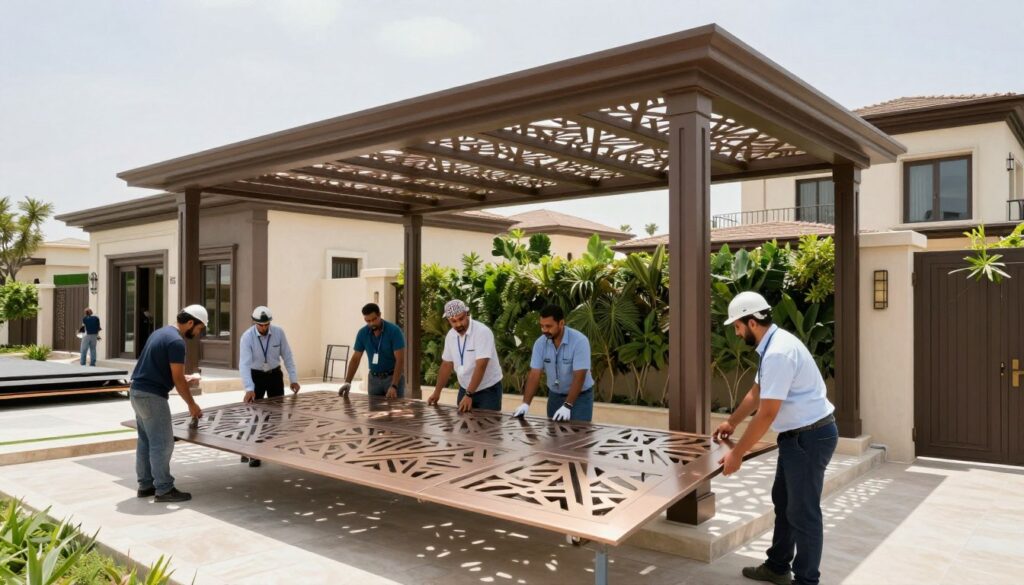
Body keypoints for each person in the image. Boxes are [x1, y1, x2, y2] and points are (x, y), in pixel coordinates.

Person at [712, 291, 837, 585]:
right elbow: (757, 392)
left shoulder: (778, 352)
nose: (736, 332)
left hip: (809, 438)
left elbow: (767, 413)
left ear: (752, 322)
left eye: (737, 326)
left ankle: (806, 580)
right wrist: (732, 421)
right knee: (784, 502)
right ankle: (778, 567)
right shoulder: (773, 346)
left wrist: (737, 454)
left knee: (803, 513)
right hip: (798, 438)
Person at [129, 305, 207, 503]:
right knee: (163, 443)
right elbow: (177, 379)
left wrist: (184, 378)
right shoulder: (176, 342)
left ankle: (145, 485)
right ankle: (164, 489)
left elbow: (164, 369)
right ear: (191, 323)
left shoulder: (161, 333)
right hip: (152, 396)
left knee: (146, 441)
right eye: (199, 328)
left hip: (137, 391)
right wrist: (192, 404)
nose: (198, 333)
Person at [238, 305, 300, 467]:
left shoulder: (279, 332)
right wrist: (249, 388)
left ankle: (270, 449)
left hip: (274, 375)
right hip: (256, 376)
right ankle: (252, 452)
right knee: (256, 415)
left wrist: (293, 379)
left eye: (267, 325)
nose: (264, 328)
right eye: (261, 325)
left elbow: (287, 356)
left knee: (276, 413)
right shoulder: (247, 337)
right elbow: (244, 364)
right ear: (255, 323)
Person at [511, 304, 595, 422]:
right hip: (555, 396)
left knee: (579, 431)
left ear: (561, 323)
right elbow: (534, 374)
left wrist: (567, 405)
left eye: (549, 326)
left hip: (580, 397)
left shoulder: (579, 341)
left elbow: (580, 376)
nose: (544, 330)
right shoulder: (540, 343)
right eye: (542, 326)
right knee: (554, 432)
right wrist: (525, 404)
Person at [427, 300, 504, 412]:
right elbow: (447, 364)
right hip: (465, 388)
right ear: (448, 320)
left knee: (488, 422)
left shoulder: (482, 332)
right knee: (462, 422)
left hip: (488, 390)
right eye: (453, 321)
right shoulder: (450, 336)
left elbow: (481, 366)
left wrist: (469, 395)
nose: (458, 324)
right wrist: (437, 392)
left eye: (461, 319)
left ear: (467, 314)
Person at [338, 303, 405, 398]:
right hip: (373, 380)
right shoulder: (362, 333)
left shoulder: (394, 331)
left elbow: (400, 360)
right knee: (373, 408)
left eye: (374, 319)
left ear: (379, 315)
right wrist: (347, 382)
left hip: (392, 378)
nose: (371, 323)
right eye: (368, 321)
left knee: (395, 407)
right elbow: (355, 359)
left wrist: (394, 385)